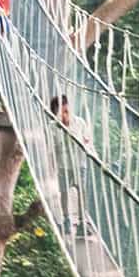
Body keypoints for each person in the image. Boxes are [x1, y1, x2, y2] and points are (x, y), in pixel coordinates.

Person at [49, 94, 92, 235]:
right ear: (56, 113)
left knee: (83, 193)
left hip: (80, 164)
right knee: (64, 193)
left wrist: (87, 145)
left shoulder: (80, 122)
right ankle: (66, 220)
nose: (66, 115)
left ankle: (82, 223)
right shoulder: (53, 127)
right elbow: (52, 149)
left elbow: (87, 141)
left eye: (67, 111)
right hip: (63, 166)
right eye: (62, 112)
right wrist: (53, 166)